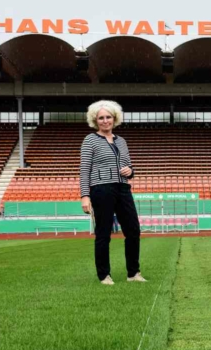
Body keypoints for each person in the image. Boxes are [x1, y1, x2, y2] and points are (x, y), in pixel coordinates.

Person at [80, 100, 146, 285]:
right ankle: (104, 275)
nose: (105, 121)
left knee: (133, 230)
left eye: (108, 117)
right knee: (103, 233)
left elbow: (129, 165)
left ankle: (133, 273)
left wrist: (130, 171)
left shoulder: (121, 141)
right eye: (101, 118)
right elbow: (85, 169)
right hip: (101, 189)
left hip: (123, 188)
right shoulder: (90, 140)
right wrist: (85, 196)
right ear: (95, 120)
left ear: (114, 118)